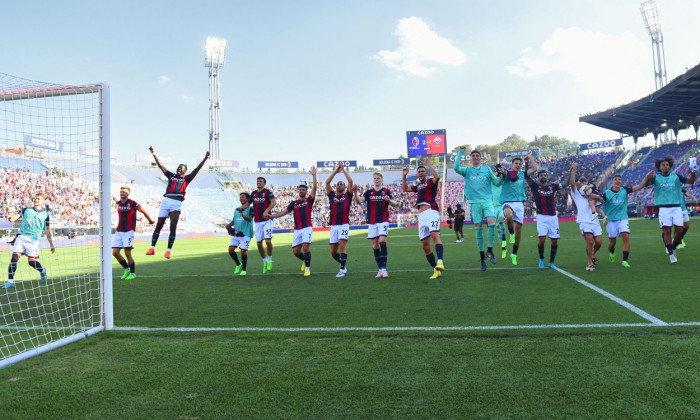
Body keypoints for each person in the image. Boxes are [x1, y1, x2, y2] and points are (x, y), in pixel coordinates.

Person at [146, 146, 210, 259]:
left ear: (185, 171)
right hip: (166, 201)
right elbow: (161, 166)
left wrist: (205, 159)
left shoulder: (187, 179)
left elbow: (197, 169)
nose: (179, 168)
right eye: (179, 167)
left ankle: (168, 251)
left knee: (172, 226)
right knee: (158, 226)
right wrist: (154, 153)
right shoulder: (171, 176)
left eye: (182, 168)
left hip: (176, 203)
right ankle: (152, 248)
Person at [632, 156, 696, 263]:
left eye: (667, 165)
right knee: (667, 231)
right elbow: (645, 185)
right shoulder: (656, 178)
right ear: (659, 168)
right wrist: (648, 177)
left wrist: (693, 171)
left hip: (676, 207)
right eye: (663, 165)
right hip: (664, 208)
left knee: (680, 231)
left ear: (670, 166)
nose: (665, 166)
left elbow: (691, 181)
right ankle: (671, 254)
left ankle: (672, 247)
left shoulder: (675, 176)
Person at [453, 146, 505, 271]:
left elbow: (497, 183)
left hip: (487, 201)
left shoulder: (487, 169)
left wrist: (502, 176)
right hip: (474, 203)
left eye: (477, 156)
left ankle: (490, 251)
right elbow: (455, 168)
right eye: (473, 156)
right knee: (478, 230)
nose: (475, 157)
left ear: (480, 159)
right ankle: (482, 257)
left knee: (492, 224)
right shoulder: (467, 171)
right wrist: (460, 152)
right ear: (471, 159)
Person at [268, 167, 317, 276]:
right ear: (298, 191)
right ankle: (305, 260)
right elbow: (283, 213)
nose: (301, 191)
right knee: (295, 252)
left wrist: (314, 176)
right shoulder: (293, 203)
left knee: (305, 247)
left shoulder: (309, 200)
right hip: (297, 229)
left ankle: (307, 268)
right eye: (300, 189)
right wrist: (272, 216)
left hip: (307, 228)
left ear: (306, 191)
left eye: (303, 189)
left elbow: (314, 188)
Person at [402, 159, 445, 279]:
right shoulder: (418, 186)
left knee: (435, 235)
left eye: (422, 171)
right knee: (425, 246)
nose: (420, 173)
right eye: (419, 171)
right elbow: (405, 189)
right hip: (421, 216)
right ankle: (436, 270)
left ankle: (440, 261)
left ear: (426, 173)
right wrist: (404, 175)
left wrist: (428, 165)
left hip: (431, 211)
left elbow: (437, 177)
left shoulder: (431, 182)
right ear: (417, 174)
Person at [3, 192, 55, 289]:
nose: (35, 200)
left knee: (31, 262)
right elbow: (15, 218)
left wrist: (51, 244)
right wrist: (10, 219)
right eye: (35, 198)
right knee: (14, 258)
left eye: (38, 199)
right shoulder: (26, 210)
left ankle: (42, 270)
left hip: (33, 240)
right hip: (21, 237)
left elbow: (48, 231)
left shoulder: (45, 215)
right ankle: (10, 281)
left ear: (43, 201)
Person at [589, 174, 642, 268]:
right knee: (612, 242)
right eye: (615, 179)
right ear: (612, 182)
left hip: (623, 219)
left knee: (626, 236)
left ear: (621, 181)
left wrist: (647, 179)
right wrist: (603, 215)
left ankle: (624, 260)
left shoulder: (624, 190)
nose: (618, 181)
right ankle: (611, 252)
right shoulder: (606, 193)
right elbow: (598, 206)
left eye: (619, 179)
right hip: (611, 220)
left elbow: (639, 187)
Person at [353, 172, 397, 278]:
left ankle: (384, 269)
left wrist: (389, 200)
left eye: (378, 178)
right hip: (372, 222)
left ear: (382, 180)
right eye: (375, 178)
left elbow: (395, 204)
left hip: (383, 220)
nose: (376, 180)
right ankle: (380, 269)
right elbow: (359, 201)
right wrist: (355, 192)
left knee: (382, 241)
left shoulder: (386, 191)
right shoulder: (369, 192)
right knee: (375, 246)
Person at [500, 153, 537, 265]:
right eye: (516, 163)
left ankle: (514, 253)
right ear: (512, 164)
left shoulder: (522, 174)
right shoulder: (507, 173)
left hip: (519, 203)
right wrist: (501, 171)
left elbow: (535, 168)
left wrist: (530, 158)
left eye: (520, 164)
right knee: (509, 215)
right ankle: (511, 234)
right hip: (507, 202)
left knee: (519, 230)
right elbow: (501, 175)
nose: (518, 165)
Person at [113, 186, 154, 280]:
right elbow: (125, 214)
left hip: (129, 230)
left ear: (128, 194)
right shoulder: (118, 203)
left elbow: (143, 211)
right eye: (121, 191)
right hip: (119, 230)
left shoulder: (133, 203)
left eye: (124, 192)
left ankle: (132, 273)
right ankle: (126, 269)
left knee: (127, 253)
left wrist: (150, 221)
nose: (121, 193)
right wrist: (135, 218)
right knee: (115, 253)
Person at [569, 163, 604, 271]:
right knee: (590, 242)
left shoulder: (592, 195)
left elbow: (603, 201)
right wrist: (573, 170)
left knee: (599, 242)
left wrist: (597, 197)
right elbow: (572, 184)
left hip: (595, 221)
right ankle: (589, 263)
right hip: (584, 222)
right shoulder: (577, 195)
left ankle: (593, 254)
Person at [527, 168, 563, 269]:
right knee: (541, 240)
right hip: (542, 217)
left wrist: (571, 172)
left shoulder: (552, 187)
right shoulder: (535, 186)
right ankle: (541, 259)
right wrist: (527, 165)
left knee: (554, 241)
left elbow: (565, 184)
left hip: (553, 217)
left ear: (547, 177)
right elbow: (527, 177)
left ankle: (551, 262)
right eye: (541, 175)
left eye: (545, 175)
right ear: (538, 177)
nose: (543, 176)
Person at [324, 162, 354, 277]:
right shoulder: (332, 196)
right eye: (338, 184)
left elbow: (351, 182)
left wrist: (343, 169)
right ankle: (343, 264)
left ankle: (342, 270)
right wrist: (335, 172)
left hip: (344, 224)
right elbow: (327, 182)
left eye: (341, 184)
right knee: (333, 252)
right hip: (334, 226)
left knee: (342, 245)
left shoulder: (348, 196)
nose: (339, 185)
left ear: (345, 187)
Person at [250, 176, 276, 273]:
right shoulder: (253, 194)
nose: (258, 182)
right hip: (257, 221)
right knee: (259, 244)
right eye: (257, 181)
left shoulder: (268, 192)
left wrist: (267, 210)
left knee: (268, 241)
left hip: (266, 220)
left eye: (260, 181)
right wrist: (240, 208)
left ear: (264, 183)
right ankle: (264, 262)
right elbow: (247, 204)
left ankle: (269, 259)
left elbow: (273, 202)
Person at [225, 192, 254, 276]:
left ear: (247, 199)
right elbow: (234, 220)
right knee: (230, 250)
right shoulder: (237, 209)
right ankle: (238, 264)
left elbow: (249, 219)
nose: (241, 199)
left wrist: (242, 215)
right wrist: (229, 225)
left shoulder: (251, 208)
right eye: (240, 197)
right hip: (236, 233)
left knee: (243, 251)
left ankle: (244, 270)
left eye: (243, 197)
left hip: (246, 234)